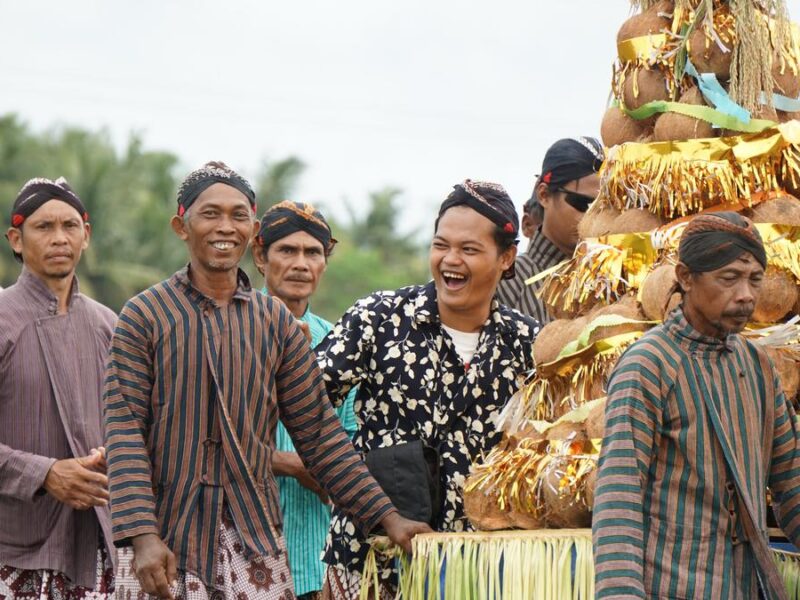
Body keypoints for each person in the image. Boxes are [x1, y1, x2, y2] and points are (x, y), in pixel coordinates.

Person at [105, 161, 430, 600]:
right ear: (182, 226)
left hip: (253, 536)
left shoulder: (272, 322)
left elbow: (318, 431)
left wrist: (386, 517)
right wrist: (142, 536)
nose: (226, 227)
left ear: (251, 228)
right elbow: (124, 432)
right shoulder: (144, 316)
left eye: (238, 215)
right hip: (166, 539)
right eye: (210, 214)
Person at [316, 179, 540, 598]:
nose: (449, 260)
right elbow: (306, 411)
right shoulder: (378, 318)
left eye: (469, 250)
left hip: (477, 569)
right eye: (441, 245)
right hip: (372, 561)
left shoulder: (527, 344)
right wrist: (363, 491)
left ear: (506, 258)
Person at [592, 211, 800, 599]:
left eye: (755, 280)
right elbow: (619, 497)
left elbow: (792, 483)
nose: (746, 295)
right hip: (669, 589)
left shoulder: (757, 367)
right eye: (729, 279)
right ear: (686, 277)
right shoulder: (647, 365)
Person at [0, 177, 116, 598]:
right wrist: (45, 473)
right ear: (16, 239)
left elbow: (135, 424)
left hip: (97, 550)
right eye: (42, 227)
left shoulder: (109, 325)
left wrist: (111, 453)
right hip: (13, 550)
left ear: (86, 236)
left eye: (69, 226)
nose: (58, 238)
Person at [252, 200, 358, 600]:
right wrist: (295, 465)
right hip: (242, 557)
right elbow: (208, 440)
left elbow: (352, 438)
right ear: (261, 257)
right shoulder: (232, 332)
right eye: (287, 251)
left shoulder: (339, 342)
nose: (301, 263)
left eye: (313, 252)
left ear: (324, 263)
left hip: (318, 562)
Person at [497, 137, 603, 324]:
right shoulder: (504, 280)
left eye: (602, 207)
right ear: (544, 195)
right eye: (583, 204)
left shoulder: (609, 283)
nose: (592, 217)